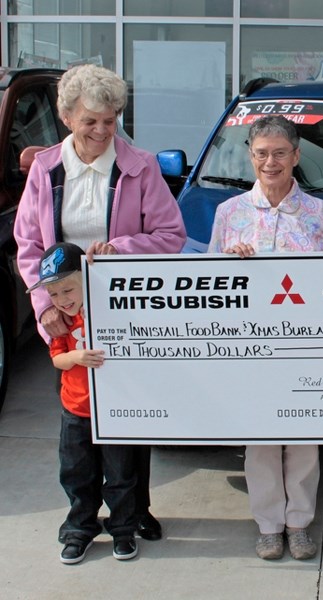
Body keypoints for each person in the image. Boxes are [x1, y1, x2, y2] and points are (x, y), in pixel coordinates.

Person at [14, 63, 186, 544]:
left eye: (110, 120)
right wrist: (42, 304)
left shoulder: (140, 164)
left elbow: (171, 235)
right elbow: (28, 245)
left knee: (133, 417)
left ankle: (135, 510)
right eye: (90, 120)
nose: (100, 130)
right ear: (67, 116)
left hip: (126, 315)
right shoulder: (46, 168)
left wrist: (123, 248)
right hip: (66, 314)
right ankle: (83, 516)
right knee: (78, 423)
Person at [208, 115, 323, 561]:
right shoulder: (228, 214)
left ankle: (299, 523)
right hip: (252, 351)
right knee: (261, 441)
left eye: (280, 153)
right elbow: (208, 283)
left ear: (296, 156)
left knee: (304, 442)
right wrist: (231, 262)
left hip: (306, 348)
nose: (271, 161)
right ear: (250, 155)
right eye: (262, 153)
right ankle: (268, 525)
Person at [28, 242, 139, 564]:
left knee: (120, 476)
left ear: (87, 280)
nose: (62, 301)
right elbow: (56, 359)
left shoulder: (111, 309)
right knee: (77, 473)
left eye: (68, 290)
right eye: (54, 295)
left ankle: (122, 530)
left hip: (115, 410)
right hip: (75, 411)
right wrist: (74, 356)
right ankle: (80, 529)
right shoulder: (62, 322)